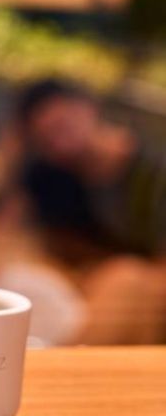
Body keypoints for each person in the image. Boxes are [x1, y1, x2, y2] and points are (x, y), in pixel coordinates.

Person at [17, 79, 166, 343]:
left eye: (62, 126)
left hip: (140, 289)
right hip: (97, 286)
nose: (58, 144)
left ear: (88, 109)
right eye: (46, 139)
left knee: (126, 279)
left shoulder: (154, 168)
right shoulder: (53, 179)